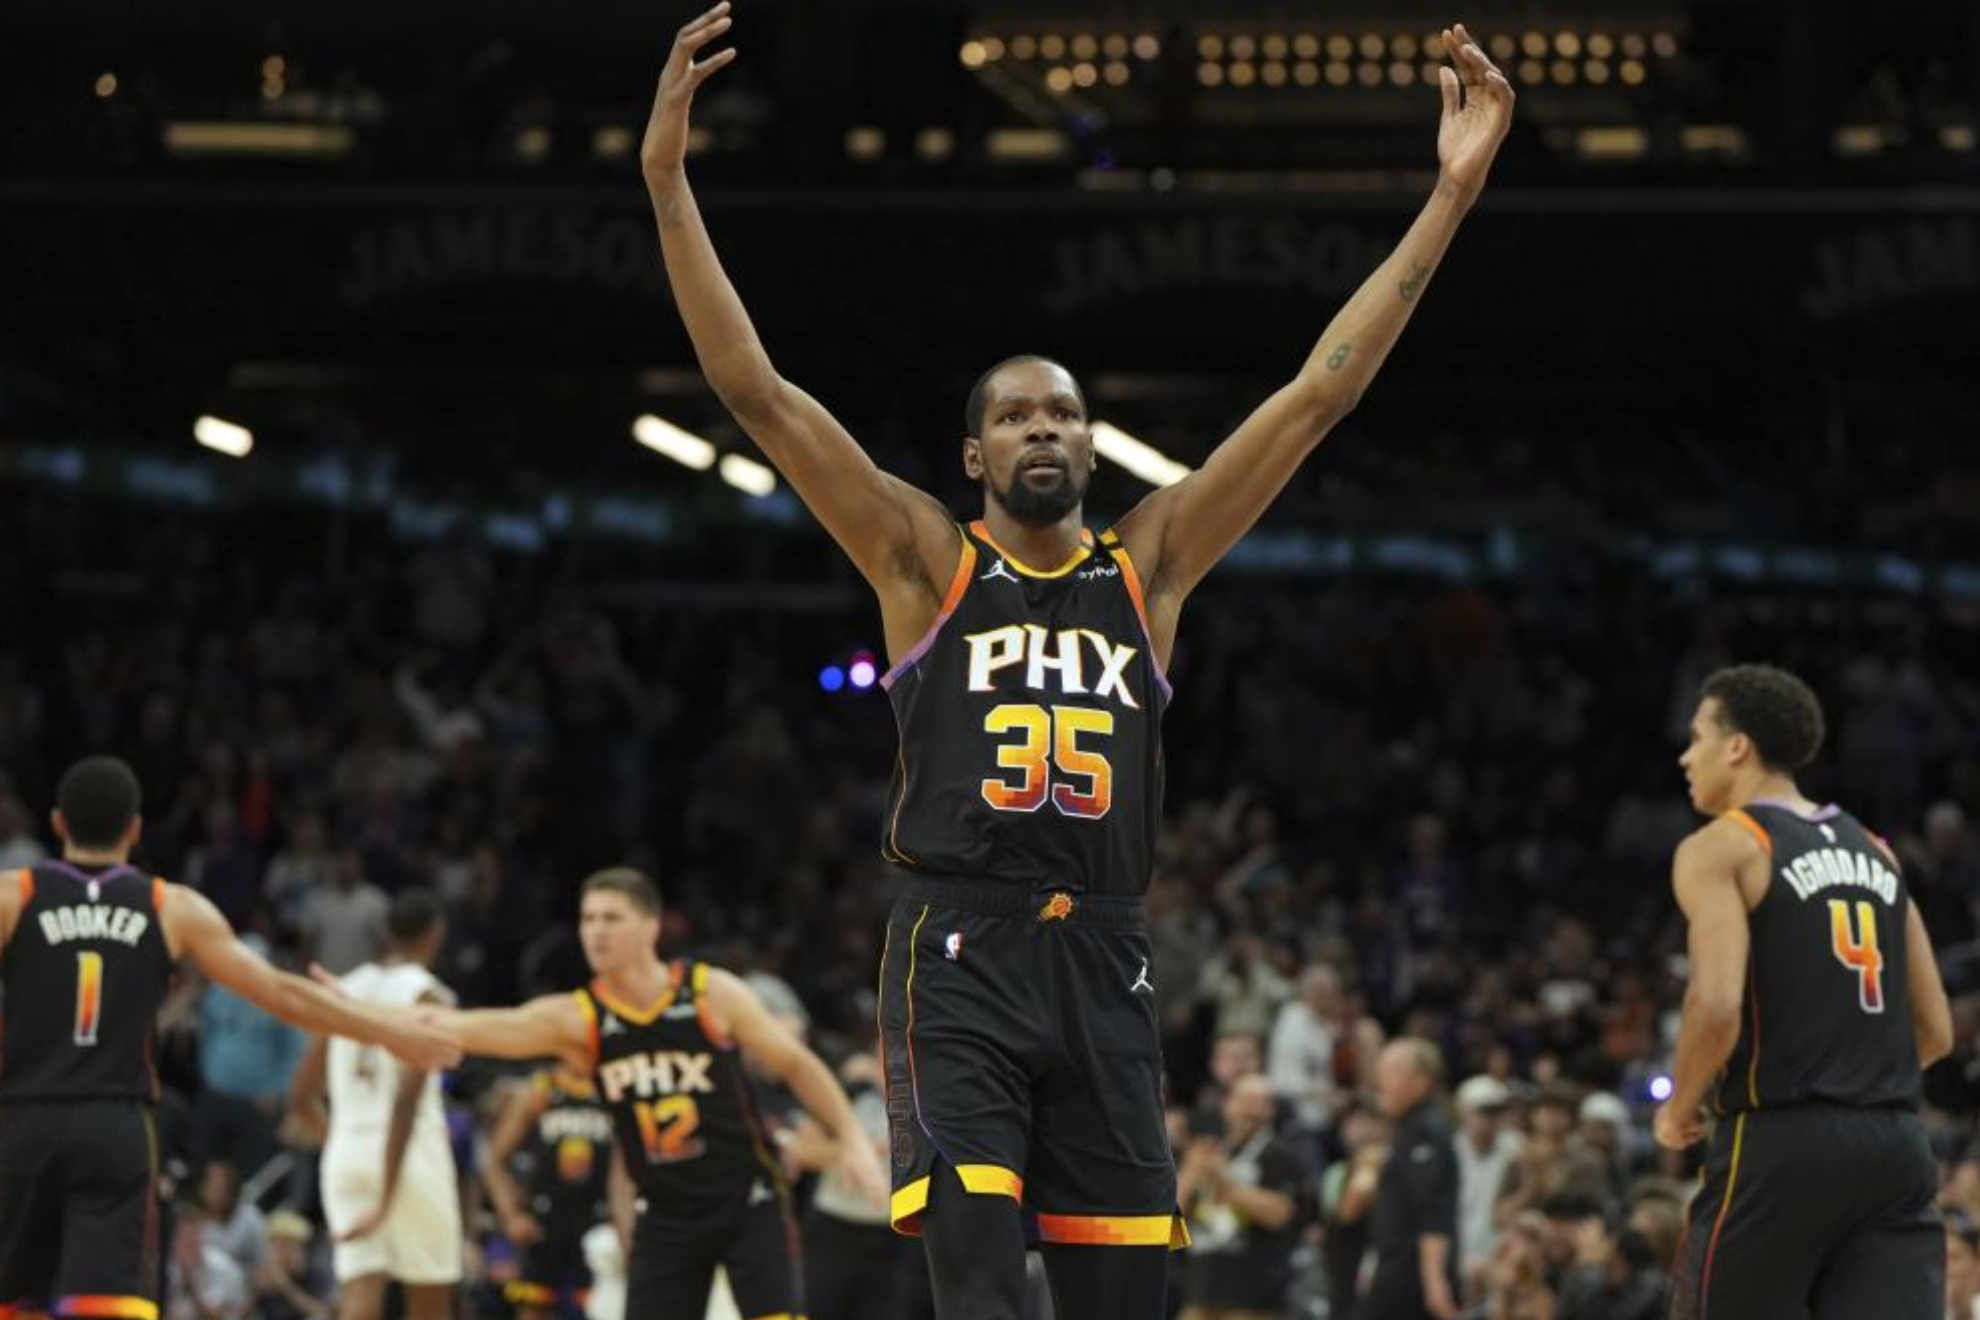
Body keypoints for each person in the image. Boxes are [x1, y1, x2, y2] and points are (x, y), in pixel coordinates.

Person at [638, 7, 1514, 1317]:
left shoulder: (1149, 564)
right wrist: (665, 181)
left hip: (1106, 956)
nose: (1043, 425)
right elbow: (755, 389)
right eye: (1014, 415)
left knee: (1126, 1300)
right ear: (975, 459)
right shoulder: (919, 556)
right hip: (959, 951)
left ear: (1090, 448)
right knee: (981, 1284)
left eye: (1064, 411)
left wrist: (1448, 197)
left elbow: (1316, 395)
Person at [0, 756, 457, 1320]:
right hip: (114, 1124)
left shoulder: (12, 895)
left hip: (22, 1120)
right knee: (106, 1308)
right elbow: (280, 992)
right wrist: (387, 1027)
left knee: (16, 1302)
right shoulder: (173, 908)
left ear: (57, 823)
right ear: (136, 829)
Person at [399, 867, 884, 1320]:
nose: (596, 930)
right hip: (665, 1213)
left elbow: (797, 1065)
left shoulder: (709, 992)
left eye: (612, 917)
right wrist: (354, 1014)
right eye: (588, 919)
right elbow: (469, 1027)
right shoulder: (580, 1016)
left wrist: (853, 1139)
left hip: (745, 1199)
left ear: (650, 927)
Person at [1656, 664, 1954, 1319]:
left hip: (1781, 1141)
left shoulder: (1724, 846)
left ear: (1738, 747)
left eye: (1698, 737)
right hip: (1897, 1147)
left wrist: (1679, 1106)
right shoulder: (1879, 852)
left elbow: (1714, 1005)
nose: (1686, 755)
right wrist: (1857, 1078)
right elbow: (1936, 1031)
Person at [288, 889, 460, 1320]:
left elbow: (301, 1097)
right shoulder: (428, 995)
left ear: (386, 932)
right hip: (408, 1153)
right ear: (436, 934)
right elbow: (405, 1102)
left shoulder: (346, 988)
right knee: (430, 1300)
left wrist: (340, 1141)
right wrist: (386, 1188)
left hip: (347, 1152)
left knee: (360, 1296)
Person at [481, 1070, 615, 1320]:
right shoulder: (538, 1090)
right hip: (544, 1222)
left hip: (597, 1221)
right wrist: (512, 1216)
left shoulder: (612, 1087)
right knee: (533, 1306)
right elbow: (494, 1162)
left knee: (600, 1307)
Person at [1176, 1073, 1308, 1320]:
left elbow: (1280, 1215)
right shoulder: (1209, 1152)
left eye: (1259, 1102)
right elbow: (1171, 1231)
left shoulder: (1279, 1153)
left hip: (1255, 1299)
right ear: (1227, 1104)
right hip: (1200, 1292)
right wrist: (1189, 1174)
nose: (1250, 1109)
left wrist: (1224, 1182)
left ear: (1270, 1110)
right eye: (1244, 1100)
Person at [1359, 1039, 1460, 1320]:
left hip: (1410, 1280)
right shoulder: (1407, 1129)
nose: (1380, 1083)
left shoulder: (1426, 1130)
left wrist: (1435, 1281)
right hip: (1393, 1269)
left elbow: (1433, 1210)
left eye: (1391, 1072)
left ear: (1421, 1082)